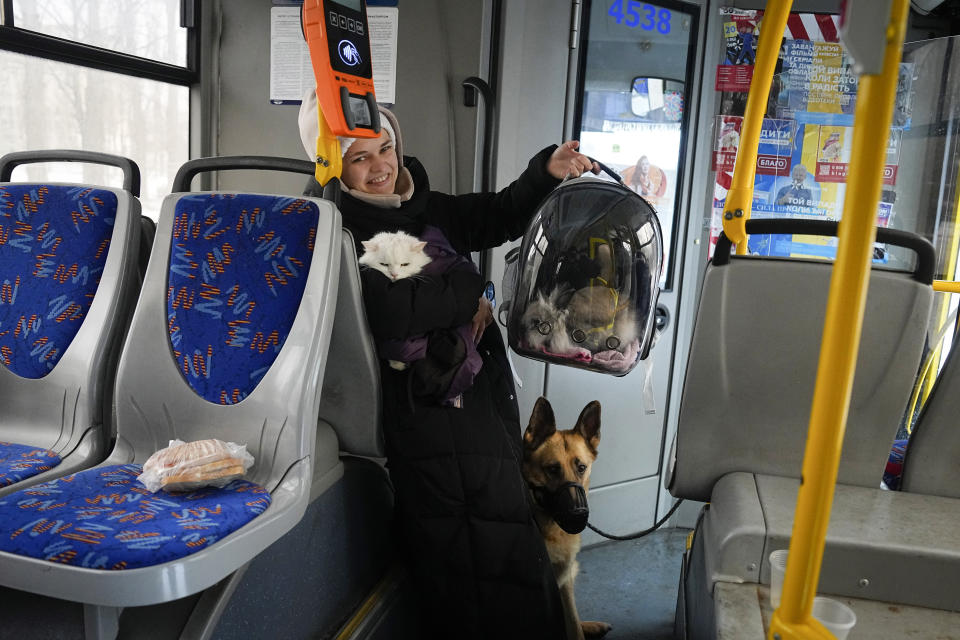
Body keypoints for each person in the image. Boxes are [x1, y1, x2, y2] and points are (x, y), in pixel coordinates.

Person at [298, 90, 598, 640]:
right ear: (333, 167)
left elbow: (497, 214)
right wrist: (471, 291)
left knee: (503, 533)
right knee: (461, 550)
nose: (378, 167)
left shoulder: (429, 208)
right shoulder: (336, 230)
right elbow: (392, 312)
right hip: (427, 408)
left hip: (481, 398)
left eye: (383, 148)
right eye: (358, 158)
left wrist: (546, 173)